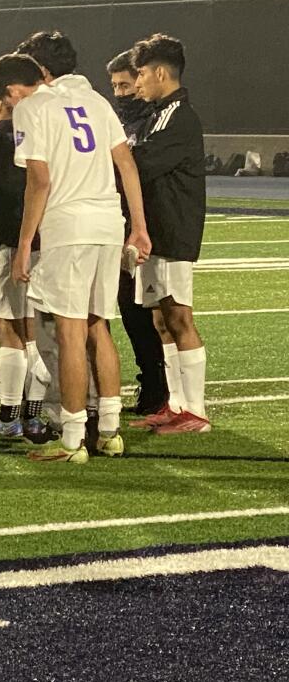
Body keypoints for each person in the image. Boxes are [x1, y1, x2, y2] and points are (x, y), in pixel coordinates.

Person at [11, 30, 151, 464]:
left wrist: (23, 244)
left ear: (41, 70)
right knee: (98, 326)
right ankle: (109, 431)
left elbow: (40, 180)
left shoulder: (35, 107)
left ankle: (72, 439)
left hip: (68, 226)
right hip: (109, 222)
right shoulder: (98, 102)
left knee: (71, 331)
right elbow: (126, 163)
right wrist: (139, 227)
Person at [128, 33, 209, 434]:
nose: (137, 82)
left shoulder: (178, 116)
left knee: (179, 316)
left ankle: (196, 411)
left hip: (174, 229)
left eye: (141, 74)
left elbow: (143, 163)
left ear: (161, 72)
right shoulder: (157, 114)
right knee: (161, 320)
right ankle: (176, 404)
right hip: (155, 232)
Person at [0, 54, 48, 438]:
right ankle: (33, 412)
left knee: (7, 330)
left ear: (3, 98)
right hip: (46, 242)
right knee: (34, 330)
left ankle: (8, 417)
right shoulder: (48, 128)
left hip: (9, 246)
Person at [107, 50, 167, 416]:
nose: (121, 93)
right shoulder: (116, 120)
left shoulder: (155, 120)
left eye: (126, 84)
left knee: (155, 313)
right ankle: (152, 383)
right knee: (130, 310)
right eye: (115, 86)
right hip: (121, 225)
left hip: (147, 228)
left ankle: (162, 388)